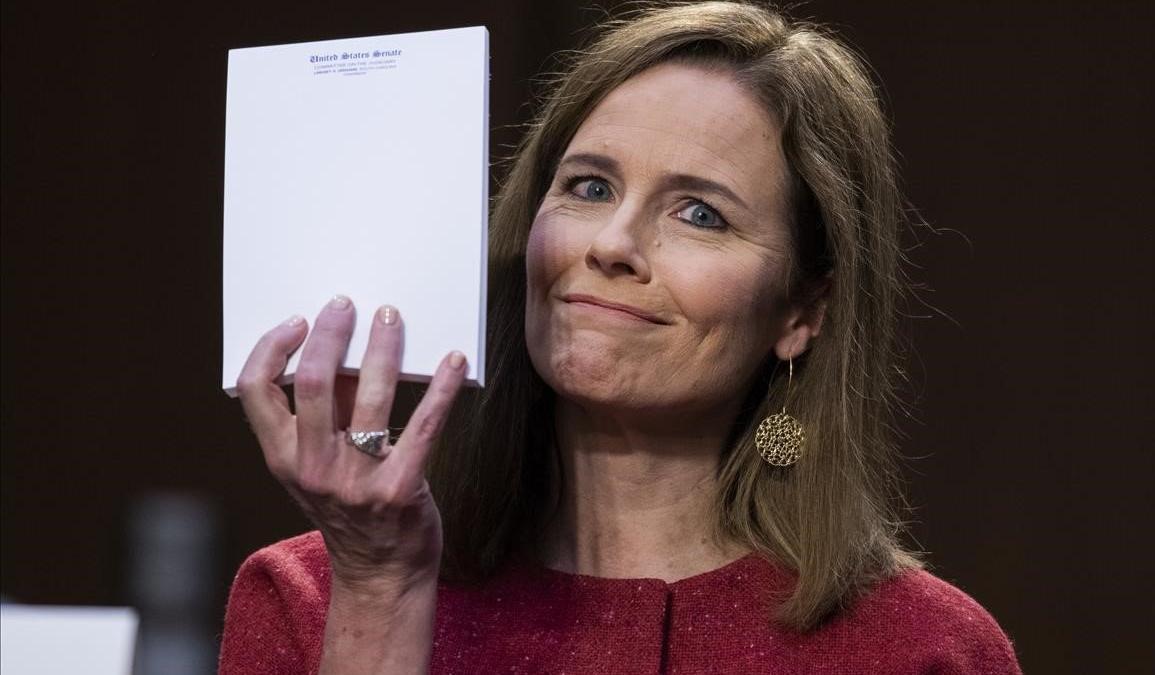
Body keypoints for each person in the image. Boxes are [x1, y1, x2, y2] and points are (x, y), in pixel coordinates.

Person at [219, 2, 1022, 673]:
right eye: (589, 186)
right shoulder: (311, 599)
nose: (610, 243)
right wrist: (382, 591)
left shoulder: (926, 650)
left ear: (801, 312)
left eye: (699, 213)